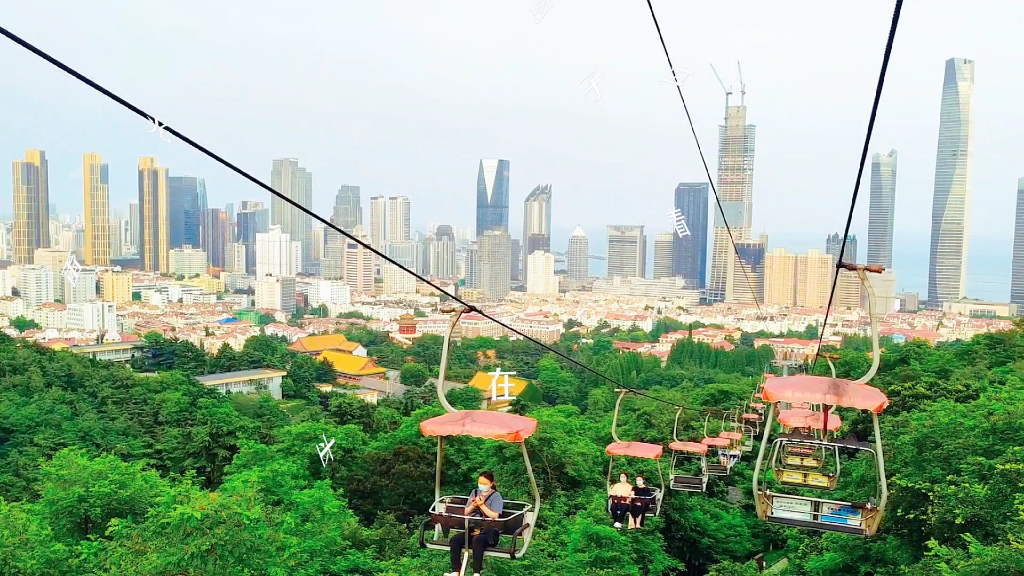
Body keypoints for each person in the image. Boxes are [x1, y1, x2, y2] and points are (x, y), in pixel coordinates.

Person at [446, 472, 504, 576]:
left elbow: (495, 516)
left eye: (484, 483)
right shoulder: (475, 492)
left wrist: (482, 506)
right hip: (473, 530)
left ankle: (477, 572)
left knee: (477, 540)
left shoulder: (496, 496)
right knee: (455, 539)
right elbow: (465, 512)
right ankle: (456, 570)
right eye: (480, 482)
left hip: (489, 533)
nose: (481, 485)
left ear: (491, 484)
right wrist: (473, 505)